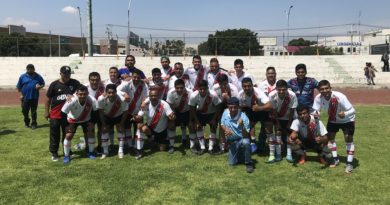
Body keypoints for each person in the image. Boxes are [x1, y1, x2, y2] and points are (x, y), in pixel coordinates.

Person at [312, 80, 356, 174]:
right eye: (322, 89)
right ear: (319, 90)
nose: (324, 91)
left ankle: (349, 163)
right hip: (333, 120)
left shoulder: (340, 96)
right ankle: (335, 159)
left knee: (348, 139)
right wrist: (316, 113)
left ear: (330, 88)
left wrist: (345, 113)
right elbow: (316, 110)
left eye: (326, 88)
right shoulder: (319, 98)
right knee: (330, 139)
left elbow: (352, 110)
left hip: (347, 120)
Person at [45, 66, 81, 161]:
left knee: (67, 133)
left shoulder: (75, 83)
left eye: (69, 73)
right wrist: (46, 111)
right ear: (60, 73)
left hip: (68, 115)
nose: (67, 75)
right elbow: (48, 99)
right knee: (54, 135)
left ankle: (67, 152)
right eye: (65, 73)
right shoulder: (54, 84)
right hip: (55, 114)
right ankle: (54, 153)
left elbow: (82, 91)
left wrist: (73, 95)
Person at [133, 89, 176, 159]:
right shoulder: (146, 105)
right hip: (151, 130)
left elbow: (171, 116)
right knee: (141, 127)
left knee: (162, 149)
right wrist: (136, 117)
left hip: (162, 130)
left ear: (158, 96)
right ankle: (139, 150)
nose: (153, 97)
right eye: (151, 96)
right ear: (149, 96)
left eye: (155, 96)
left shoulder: (164, 104)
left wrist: (172, 117)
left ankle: (166, 143)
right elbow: (139, 116)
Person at [238, 77, 273, 161]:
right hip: (251, 110)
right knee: (245, 128)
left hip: (263, 110)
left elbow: (270, 105)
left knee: (268, 130)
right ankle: (250, 145)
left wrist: (260, 108)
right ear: (242, 86)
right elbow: (239, 107)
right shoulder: (240, 94)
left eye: (249, 86)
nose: (247, 88)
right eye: (245, 86)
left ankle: (271, 152)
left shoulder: (258, 92)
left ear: (252, 86)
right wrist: (240, 116)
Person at [61, 85, 98, 164]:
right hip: (73, 120)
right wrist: (66, 126)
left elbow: (96, 112)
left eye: (84, 94)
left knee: (91, 133)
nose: (82, 96)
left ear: (87, 93)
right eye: (80, 94)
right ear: (76, 94)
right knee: (68, 135)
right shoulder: (71, 100)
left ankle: (90, 152)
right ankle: (66, 155)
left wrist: (92, 123)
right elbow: (63, 113)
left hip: (86, 120)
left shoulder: (92, 100)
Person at [117, 69, 149, 155]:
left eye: (138, 77)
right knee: (127, 128)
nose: (136, 79)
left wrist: (144, 102)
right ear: (132, 76)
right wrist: (124, 94)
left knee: (139, 128)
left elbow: (145, 97)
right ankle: (130, 146)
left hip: (138, 111)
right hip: (128, 111)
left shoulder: (144, 85)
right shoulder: (126, 83)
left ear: (140, 77)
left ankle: (137, 146)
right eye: (134, 77)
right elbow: (116, 90)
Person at [220, 97, 253, 173]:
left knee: (246, 142)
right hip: (231, 141)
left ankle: (248, 163)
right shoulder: (225, 113)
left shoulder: (243, 117)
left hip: (241, 139)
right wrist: (226, 130)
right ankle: (241, 154)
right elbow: (222, 124)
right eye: (230, 107)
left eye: (235, 107)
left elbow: (246, 135)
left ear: (238, 107)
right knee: (232, 164)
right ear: (228, 106)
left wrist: (242, 126)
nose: (233, 109)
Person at [268, 80, 298, 163]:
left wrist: (289, 124)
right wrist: (277, 123)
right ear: (276, 88)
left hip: (289, 117)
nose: (281, 91)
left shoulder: (292, 95)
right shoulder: (271, 95)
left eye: (283, 89)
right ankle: (278, 154)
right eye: (279, 89)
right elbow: (273, 110)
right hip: (278, 116)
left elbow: (292, 110)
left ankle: (289, 154)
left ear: (287, 89)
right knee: (278, 133)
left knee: (289, 134)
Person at [189, 80, 222, 154]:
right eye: (201, 89)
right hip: (200, 114)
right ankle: (202, 147)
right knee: (198, 127)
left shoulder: (213, 94)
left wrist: (214, 119)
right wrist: (196, 121)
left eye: (204, 89)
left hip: (212, 113)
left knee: (214, 126)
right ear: (198, 89)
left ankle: (211, 147)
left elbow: (218, 107)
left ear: (207, 88)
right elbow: (192, 110)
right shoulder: (193, 96)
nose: (203, 91)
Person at [97, 84, 128, 159]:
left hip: (119, 115)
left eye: (113, 92)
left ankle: (120, 151)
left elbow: (125, 112)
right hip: (107, 116)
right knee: (104, 131)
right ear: (106, 92)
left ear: (116, 92)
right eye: (109, 92)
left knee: (120, 130)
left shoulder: (122, 99)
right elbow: (100, 112)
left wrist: (121, 123)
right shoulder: (101, 99)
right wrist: (103, 124)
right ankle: (105, 152)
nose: (111, 94)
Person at [166, 79, 193, 152]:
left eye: (181, 87)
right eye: (177, 88)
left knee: (192, 126)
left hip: (187, 111)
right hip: (175, 112)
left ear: (184, 86)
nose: (179, 89)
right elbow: (170, 106)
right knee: (171, 126)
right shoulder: (170, 93)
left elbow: (191, 107)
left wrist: (190, 120)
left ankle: (192, 146)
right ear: (174, 87)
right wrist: (172, 118)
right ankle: (171, 145)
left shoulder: (190, 92)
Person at [16, 64, 45, 129]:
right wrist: (21, 94)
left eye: (31, 69)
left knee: (33, 111)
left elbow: (43, 83)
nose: (30, 70)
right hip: (25, 97)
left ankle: (34, 124)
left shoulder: (38, 76)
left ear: (34, 69)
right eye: (28, 69)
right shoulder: (22, 77)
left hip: (34, 97)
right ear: (26, 69)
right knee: (24, 111)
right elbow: (18, 87)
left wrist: (40, 86)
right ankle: (27, 122)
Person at [257, 66, 277, 153]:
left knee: (278, 129)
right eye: (269, 73)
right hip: (265, 111)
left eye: (272, 73)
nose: (271, 75)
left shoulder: (279, 83)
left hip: (277, 111)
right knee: (264, 130)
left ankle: (278, 147)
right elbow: (258, 98)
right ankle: (261, 147)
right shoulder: (261, 85)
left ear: (275, 74)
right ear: (266, 74)